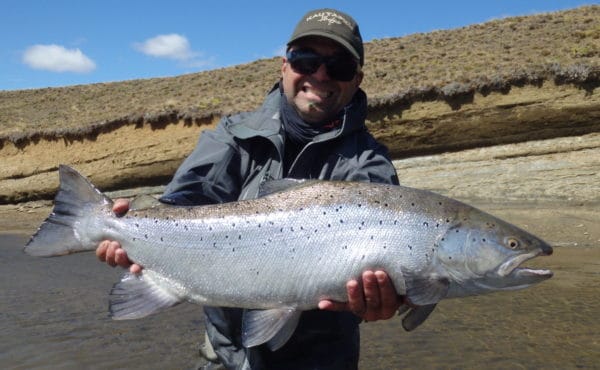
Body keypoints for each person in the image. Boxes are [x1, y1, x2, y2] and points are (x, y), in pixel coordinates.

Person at [97, 8, 405, 369]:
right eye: (306, 60)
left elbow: (388, 260)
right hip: (226, 355)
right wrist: (127, 226)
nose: (320, 75)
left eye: (339, 67)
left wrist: (387, 300)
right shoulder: (233, 134)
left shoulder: (369, 163)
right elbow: (186, 201)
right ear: (285, 66)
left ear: (356, 80)